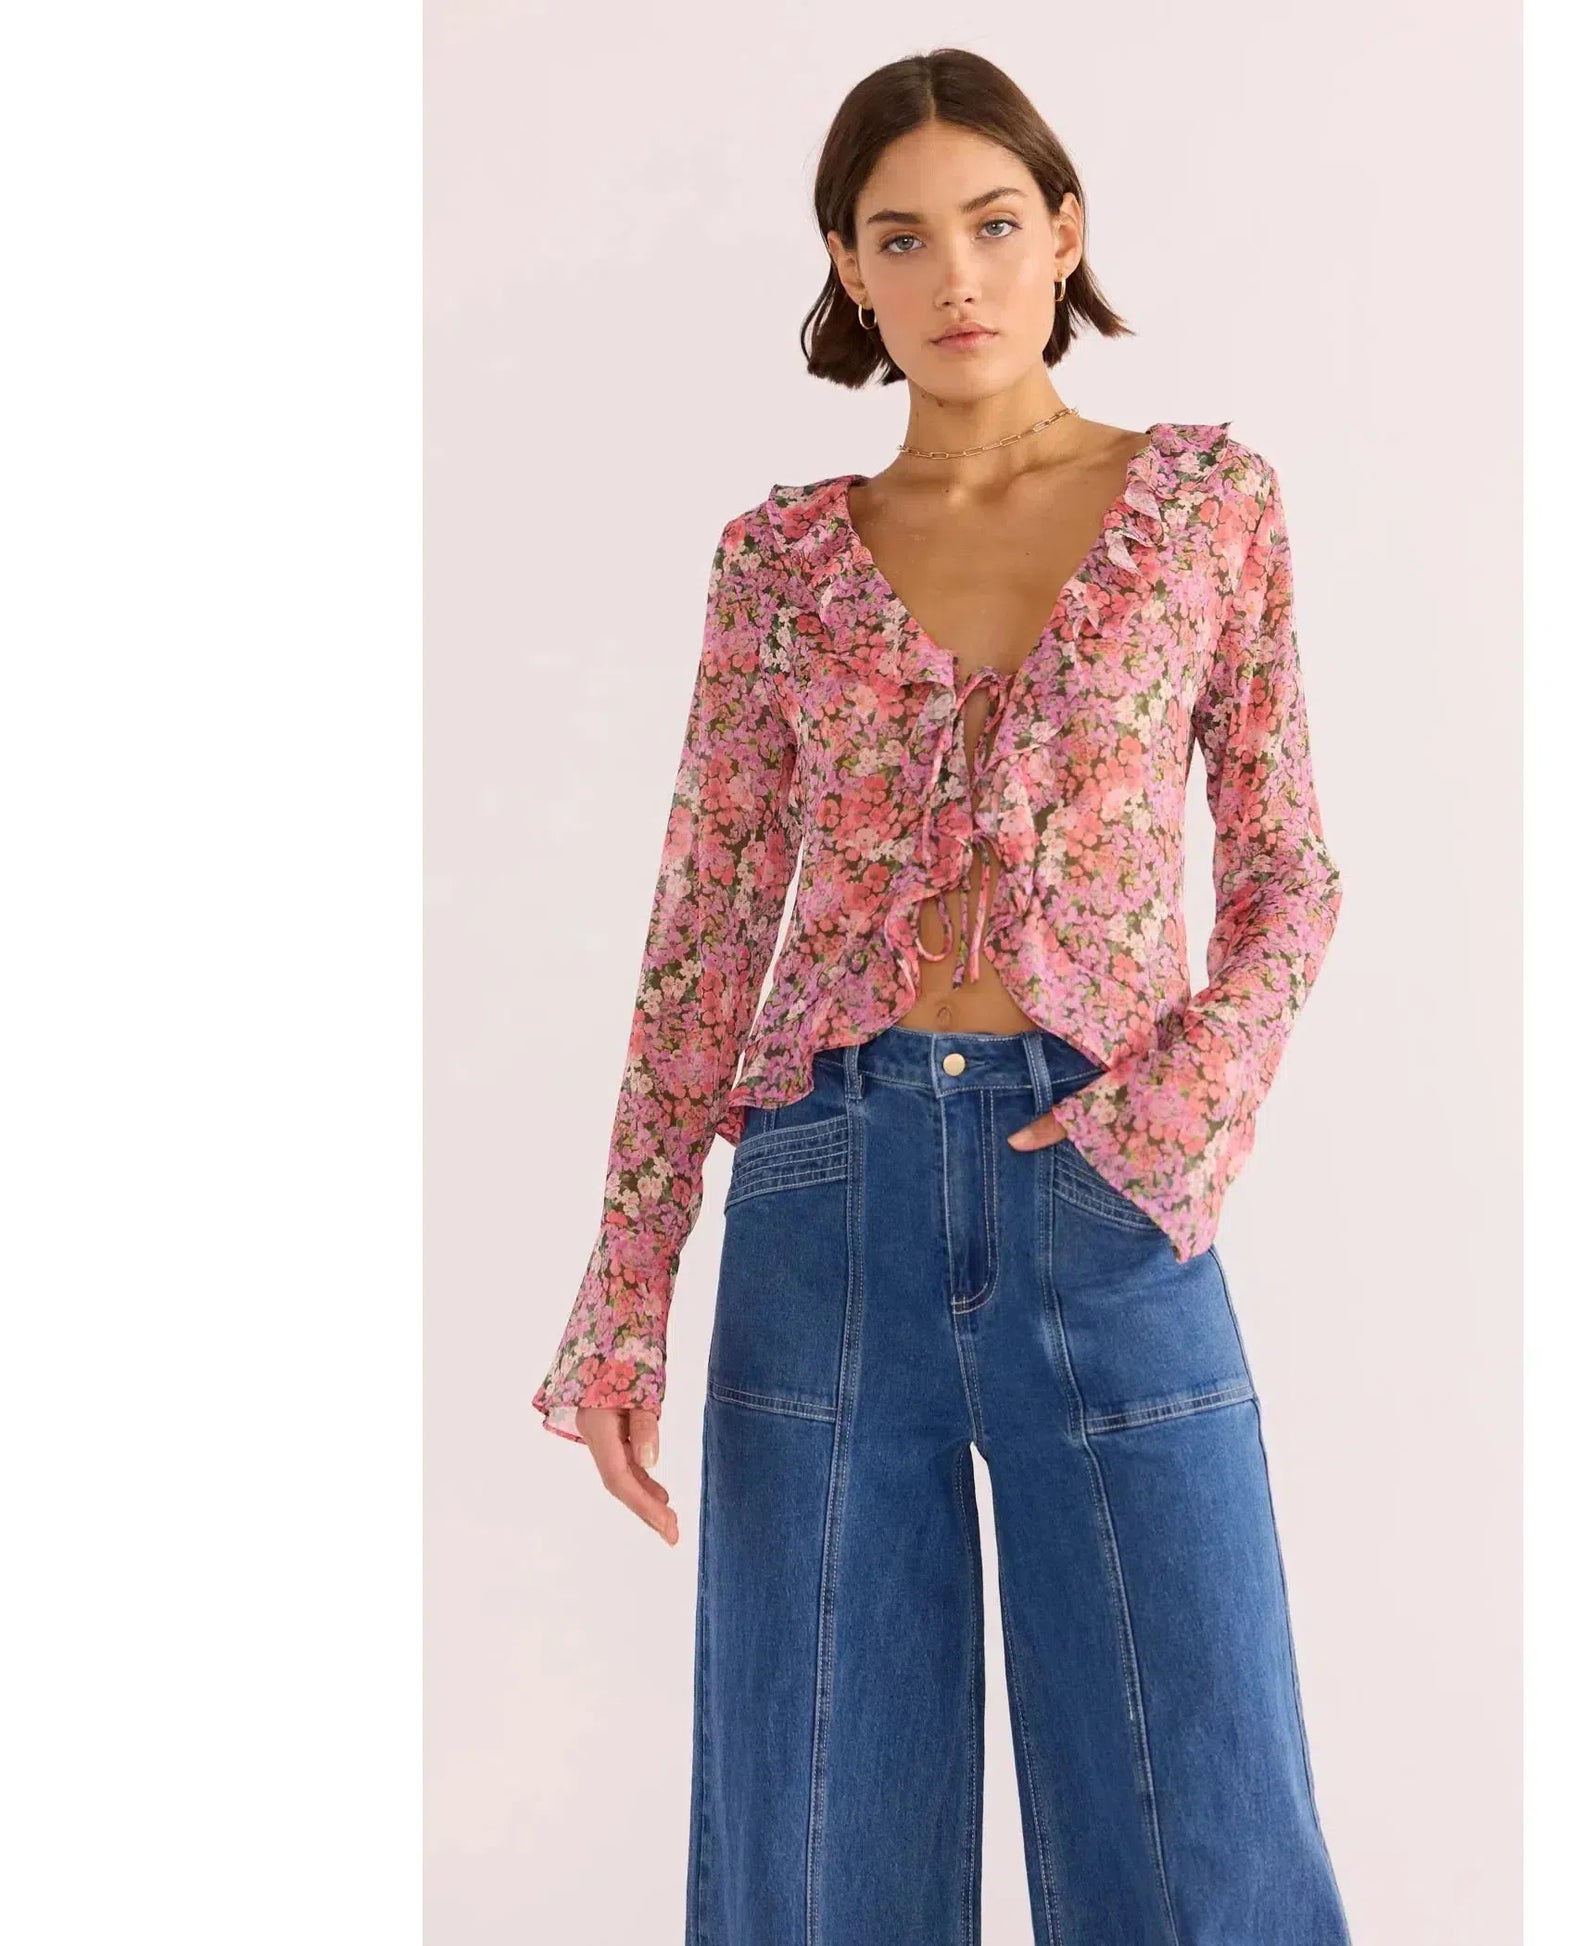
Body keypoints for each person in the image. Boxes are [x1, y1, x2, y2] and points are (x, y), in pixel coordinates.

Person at [532, 45, 1354, 1946]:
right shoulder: (777, 566)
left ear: (1063, 231)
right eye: (901, 238)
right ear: (848, 267)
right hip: (827, 1202)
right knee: (820, 1830)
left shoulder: (1205, 509)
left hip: (1106, 1194)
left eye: (992, 222)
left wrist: (1162, 1129)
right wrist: (624, 1291)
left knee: (1204, 1823)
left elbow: (1290, 871)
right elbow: (702, 933)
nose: (956, 275)